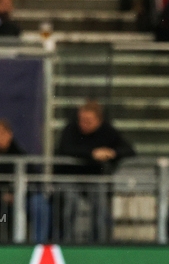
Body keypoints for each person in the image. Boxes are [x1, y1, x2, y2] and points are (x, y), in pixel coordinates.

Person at [55, 100, 135, 242]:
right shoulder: (71, 129)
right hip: (71, 177)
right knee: (69, 205)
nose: (83, 124)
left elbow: (129, 150)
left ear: (99, 121)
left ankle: (99, 244)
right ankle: (66, 243)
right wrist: (92, 154)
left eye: (88, 121)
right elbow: (65, 149)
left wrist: (112, 153)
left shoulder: (107, 131)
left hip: (95, 178)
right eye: (81, 120)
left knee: (100, 208)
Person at [0, 119, 50, 243]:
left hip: (18, 199)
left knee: (39, 204)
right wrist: (0, 195)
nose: (0, 137)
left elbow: (35, 180)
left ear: (10, 135)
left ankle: (39, 246)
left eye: (4, 133)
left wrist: (18, 195)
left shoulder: (20, 153)